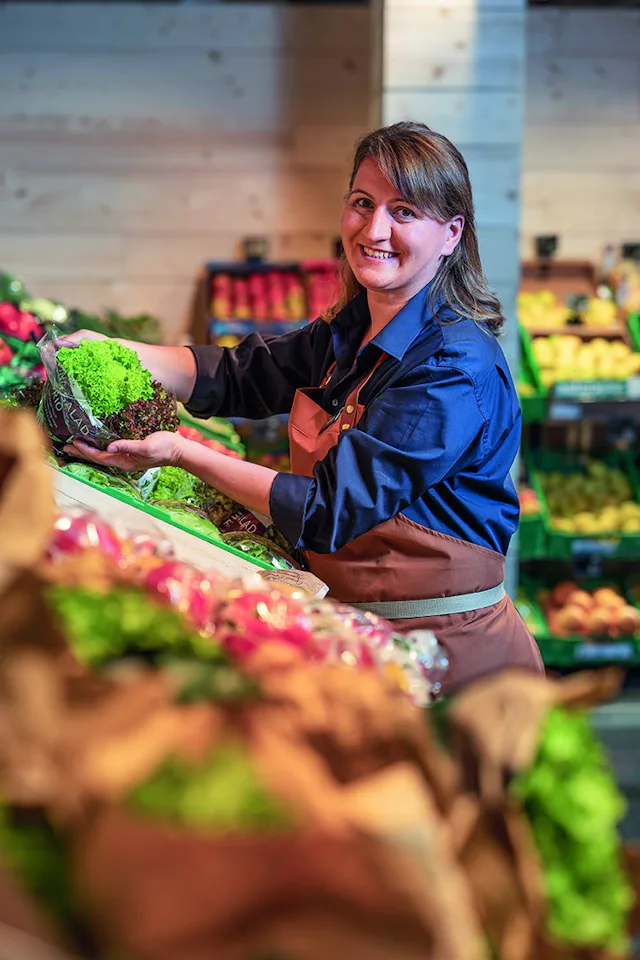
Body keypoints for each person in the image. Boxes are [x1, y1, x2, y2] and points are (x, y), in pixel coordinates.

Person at [63, 120, 544, 693]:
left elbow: (328, 510)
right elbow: (244, 375)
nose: (375, 229)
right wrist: (119, 351)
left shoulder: (452, 368)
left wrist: (178, 454)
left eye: (405, 212)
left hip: (450, 658)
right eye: (362, 203)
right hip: (367, 638)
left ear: (451, 234)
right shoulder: (354, 328)